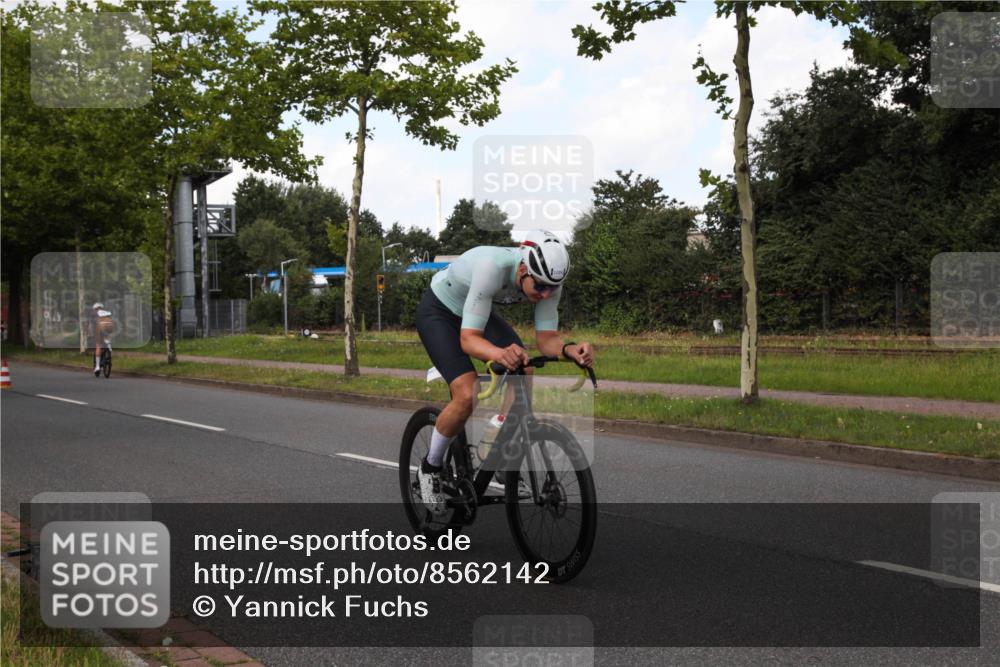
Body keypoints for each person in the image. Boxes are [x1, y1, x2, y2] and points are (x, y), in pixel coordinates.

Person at [414, 230, 595, 513]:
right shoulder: (492, 267)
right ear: (523, 269)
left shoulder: (548, 280)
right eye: (540, 287)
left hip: (473, 311)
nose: (545, 294)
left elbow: (547, 339)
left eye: (551, 288)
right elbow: (468, 340)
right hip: (439, 311)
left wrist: (570, 350)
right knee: (466, 392)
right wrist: (500, 354)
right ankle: (429, 467)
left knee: (525, 370)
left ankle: (496, 446)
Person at [91, 303, 114, 376]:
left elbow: (91, 325)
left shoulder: (94, 314)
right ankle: (108, 343)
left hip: (101, 327)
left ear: (94, 309)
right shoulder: (107, 312)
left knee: (98, 345)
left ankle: (97, 366)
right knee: (107, 336)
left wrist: (90, 333)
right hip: (109, 326)